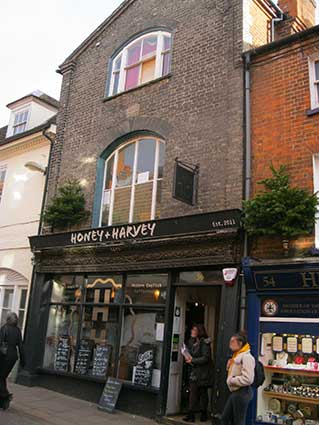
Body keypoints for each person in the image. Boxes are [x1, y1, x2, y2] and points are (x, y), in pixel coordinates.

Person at [221, 331, 255, 425]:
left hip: (242, 392)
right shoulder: (237, 355)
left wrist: (232, 380)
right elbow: (236, 372)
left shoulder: (247, 357)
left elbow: (248, 379)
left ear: (240, 343)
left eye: (233, 341)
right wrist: (229, 367)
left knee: (238, 421)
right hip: (236, 392)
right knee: (225, 418)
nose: (230, 343)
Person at [183, 324, 213, 423]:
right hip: (195, 371)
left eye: (194, 329)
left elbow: (206, 357)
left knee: (202, 393)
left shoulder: (204, 342)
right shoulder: (193, 341)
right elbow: (190, 351)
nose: (192, 331)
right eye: (192, 329)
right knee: (193, 392)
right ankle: (192, 414)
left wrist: (193, 360)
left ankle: (200, 414)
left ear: (199, 331)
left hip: (202, 372)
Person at [0, 312, 26, 410]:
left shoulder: (4, 328)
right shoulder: (18, 331)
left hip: (4, 357)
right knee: (3, 377)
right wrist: (23, 360)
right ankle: (2, 402)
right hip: (13, 357)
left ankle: (6, 396)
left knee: (0, 377)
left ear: (7, 319)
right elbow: (21, 346)